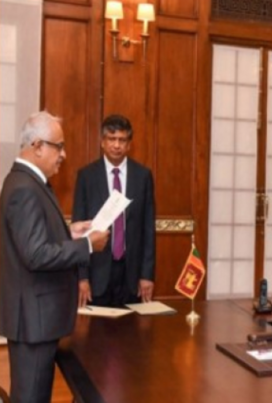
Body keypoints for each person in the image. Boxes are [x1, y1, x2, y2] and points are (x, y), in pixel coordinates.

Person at [0, 111, 110, 403]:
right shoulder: (24, 188)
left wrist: (70, 232)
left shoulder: (28, 182)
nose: (64, 154)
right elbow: (36, 254)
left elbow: (34, 239)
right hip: (33, 320)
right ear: (37, 146)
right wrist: (86, 245)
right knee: (31, 397)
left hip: (37, 318)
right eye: (58, 146)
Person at [72, 114, 156, 307]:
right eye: (111, 139)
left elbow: (148, 229)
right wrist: (82, 277)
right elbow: (80, 232)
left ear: (129, 144)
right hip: (97, 273)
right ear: (102, 142)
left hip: (132, 274)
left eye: (122, 140)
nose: (116, 145)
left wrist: (147, 274)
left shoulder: (142, 176)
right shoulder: (86, 176)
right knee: (97, 326)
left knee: (132, 325)